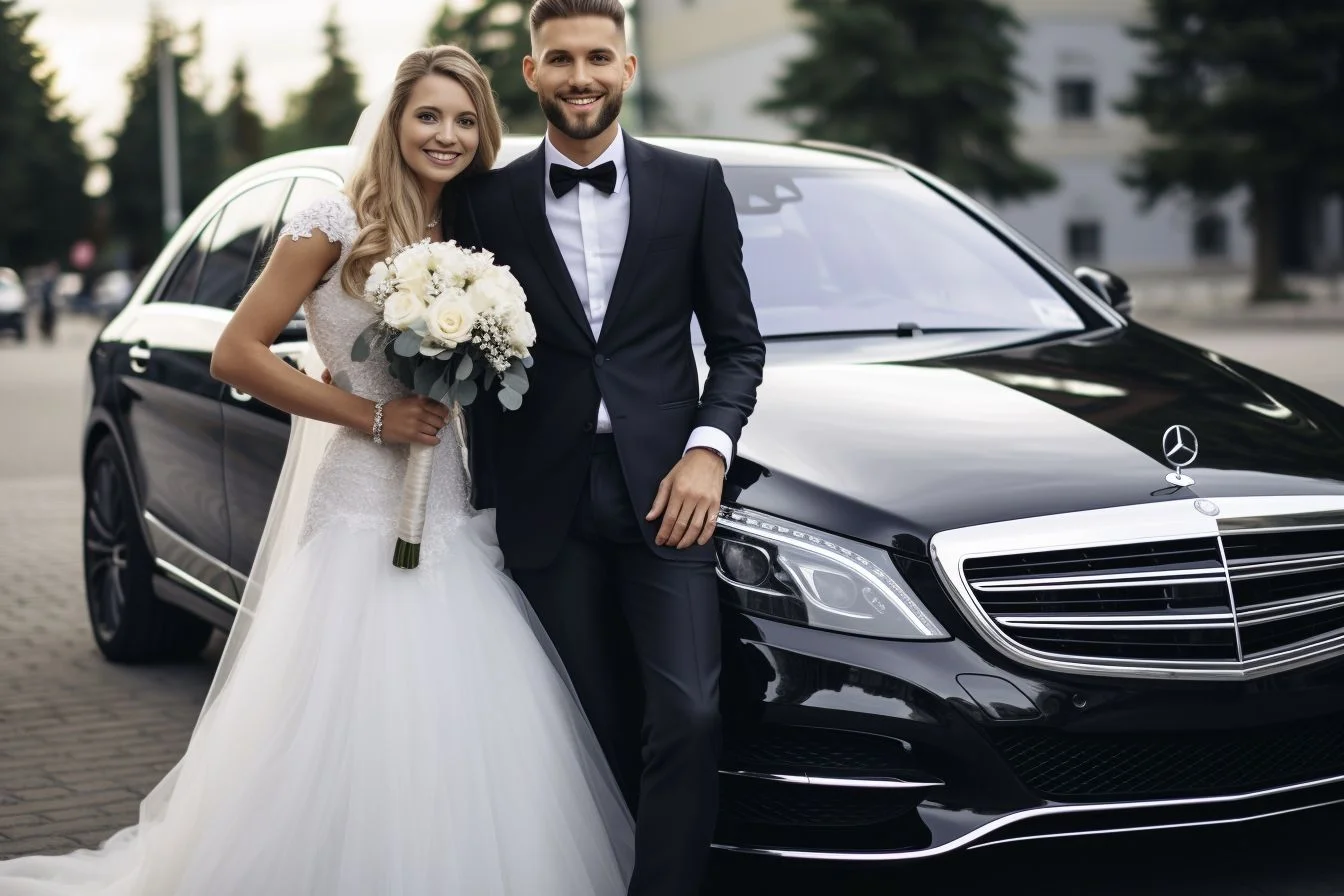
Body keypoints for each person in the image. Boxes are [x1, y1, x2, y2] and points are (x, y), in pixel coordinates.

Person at [0, 45, 633, 895]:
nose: (446, 134)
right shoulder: (331, 223)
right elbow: (236, 353)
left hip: (449, 493)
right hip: (363, 494)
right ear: (396, 120)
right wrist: (373, 413)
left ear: (485, 133)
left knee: (453, 713)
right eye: (428, 115)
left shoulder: (479, 232)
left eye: (465, 120)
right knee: (353, 704)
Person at [455, 2, 766, 894]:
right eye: (560, 59)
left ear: (628, 68)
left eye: (598, 57)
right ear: (531, 73)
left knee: (691, 713)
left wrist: (708, 450)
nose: (579, 76)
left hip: (666, 490)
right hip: (541, 500)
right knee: (589, 722)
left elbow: (738, 343)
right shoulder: (484, 200)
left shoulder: (693, 183)